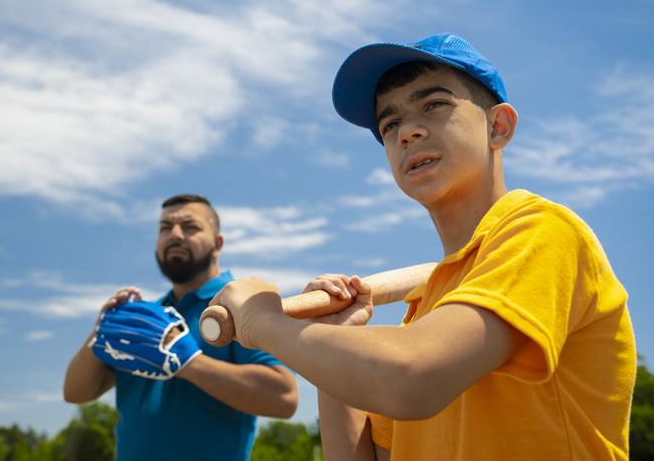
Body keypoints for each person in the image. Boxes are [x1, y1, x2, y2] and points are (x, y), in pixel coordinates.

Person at [208, 33, 637, 459]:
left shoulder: (543, 233)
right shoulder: (428, 312)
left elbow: (411, 379)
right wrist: (330, 336)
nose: (408, 132)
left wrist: (261, 322)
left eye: (434, 104)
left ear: (498, 126)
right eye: (389, 124)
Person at [63, 194, 298, 460]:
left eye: (190, 226)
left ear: (217, 244)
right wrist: (102, 328)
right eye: (165, 228)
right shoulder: (146, 319)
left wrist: (188, 363)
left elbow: (284, 397)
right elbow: (76, 393)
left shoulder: (242, 304)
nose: (175, 234)